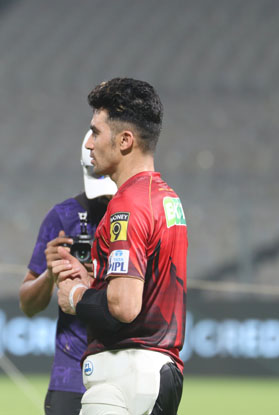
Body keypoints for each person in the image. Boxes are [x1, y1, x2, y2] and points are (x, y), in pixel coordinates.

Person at [56, 78, 187, 415]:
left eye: (96, 132)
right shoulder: (168, 199)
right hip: (159, 372)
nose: (88, 144)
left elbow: (125, 306)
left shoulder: (126, 206)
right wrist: (96, 278)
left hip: (123, 377)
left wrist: (75, 297)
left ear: (125, 140)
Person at [20, 131, 116, 415]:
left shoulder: (141, 213)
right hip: (71, 376)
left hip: (123, 371)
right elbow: (27, 305)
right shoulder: (62, 217)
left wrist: (96, 274)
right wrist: (50, 274)